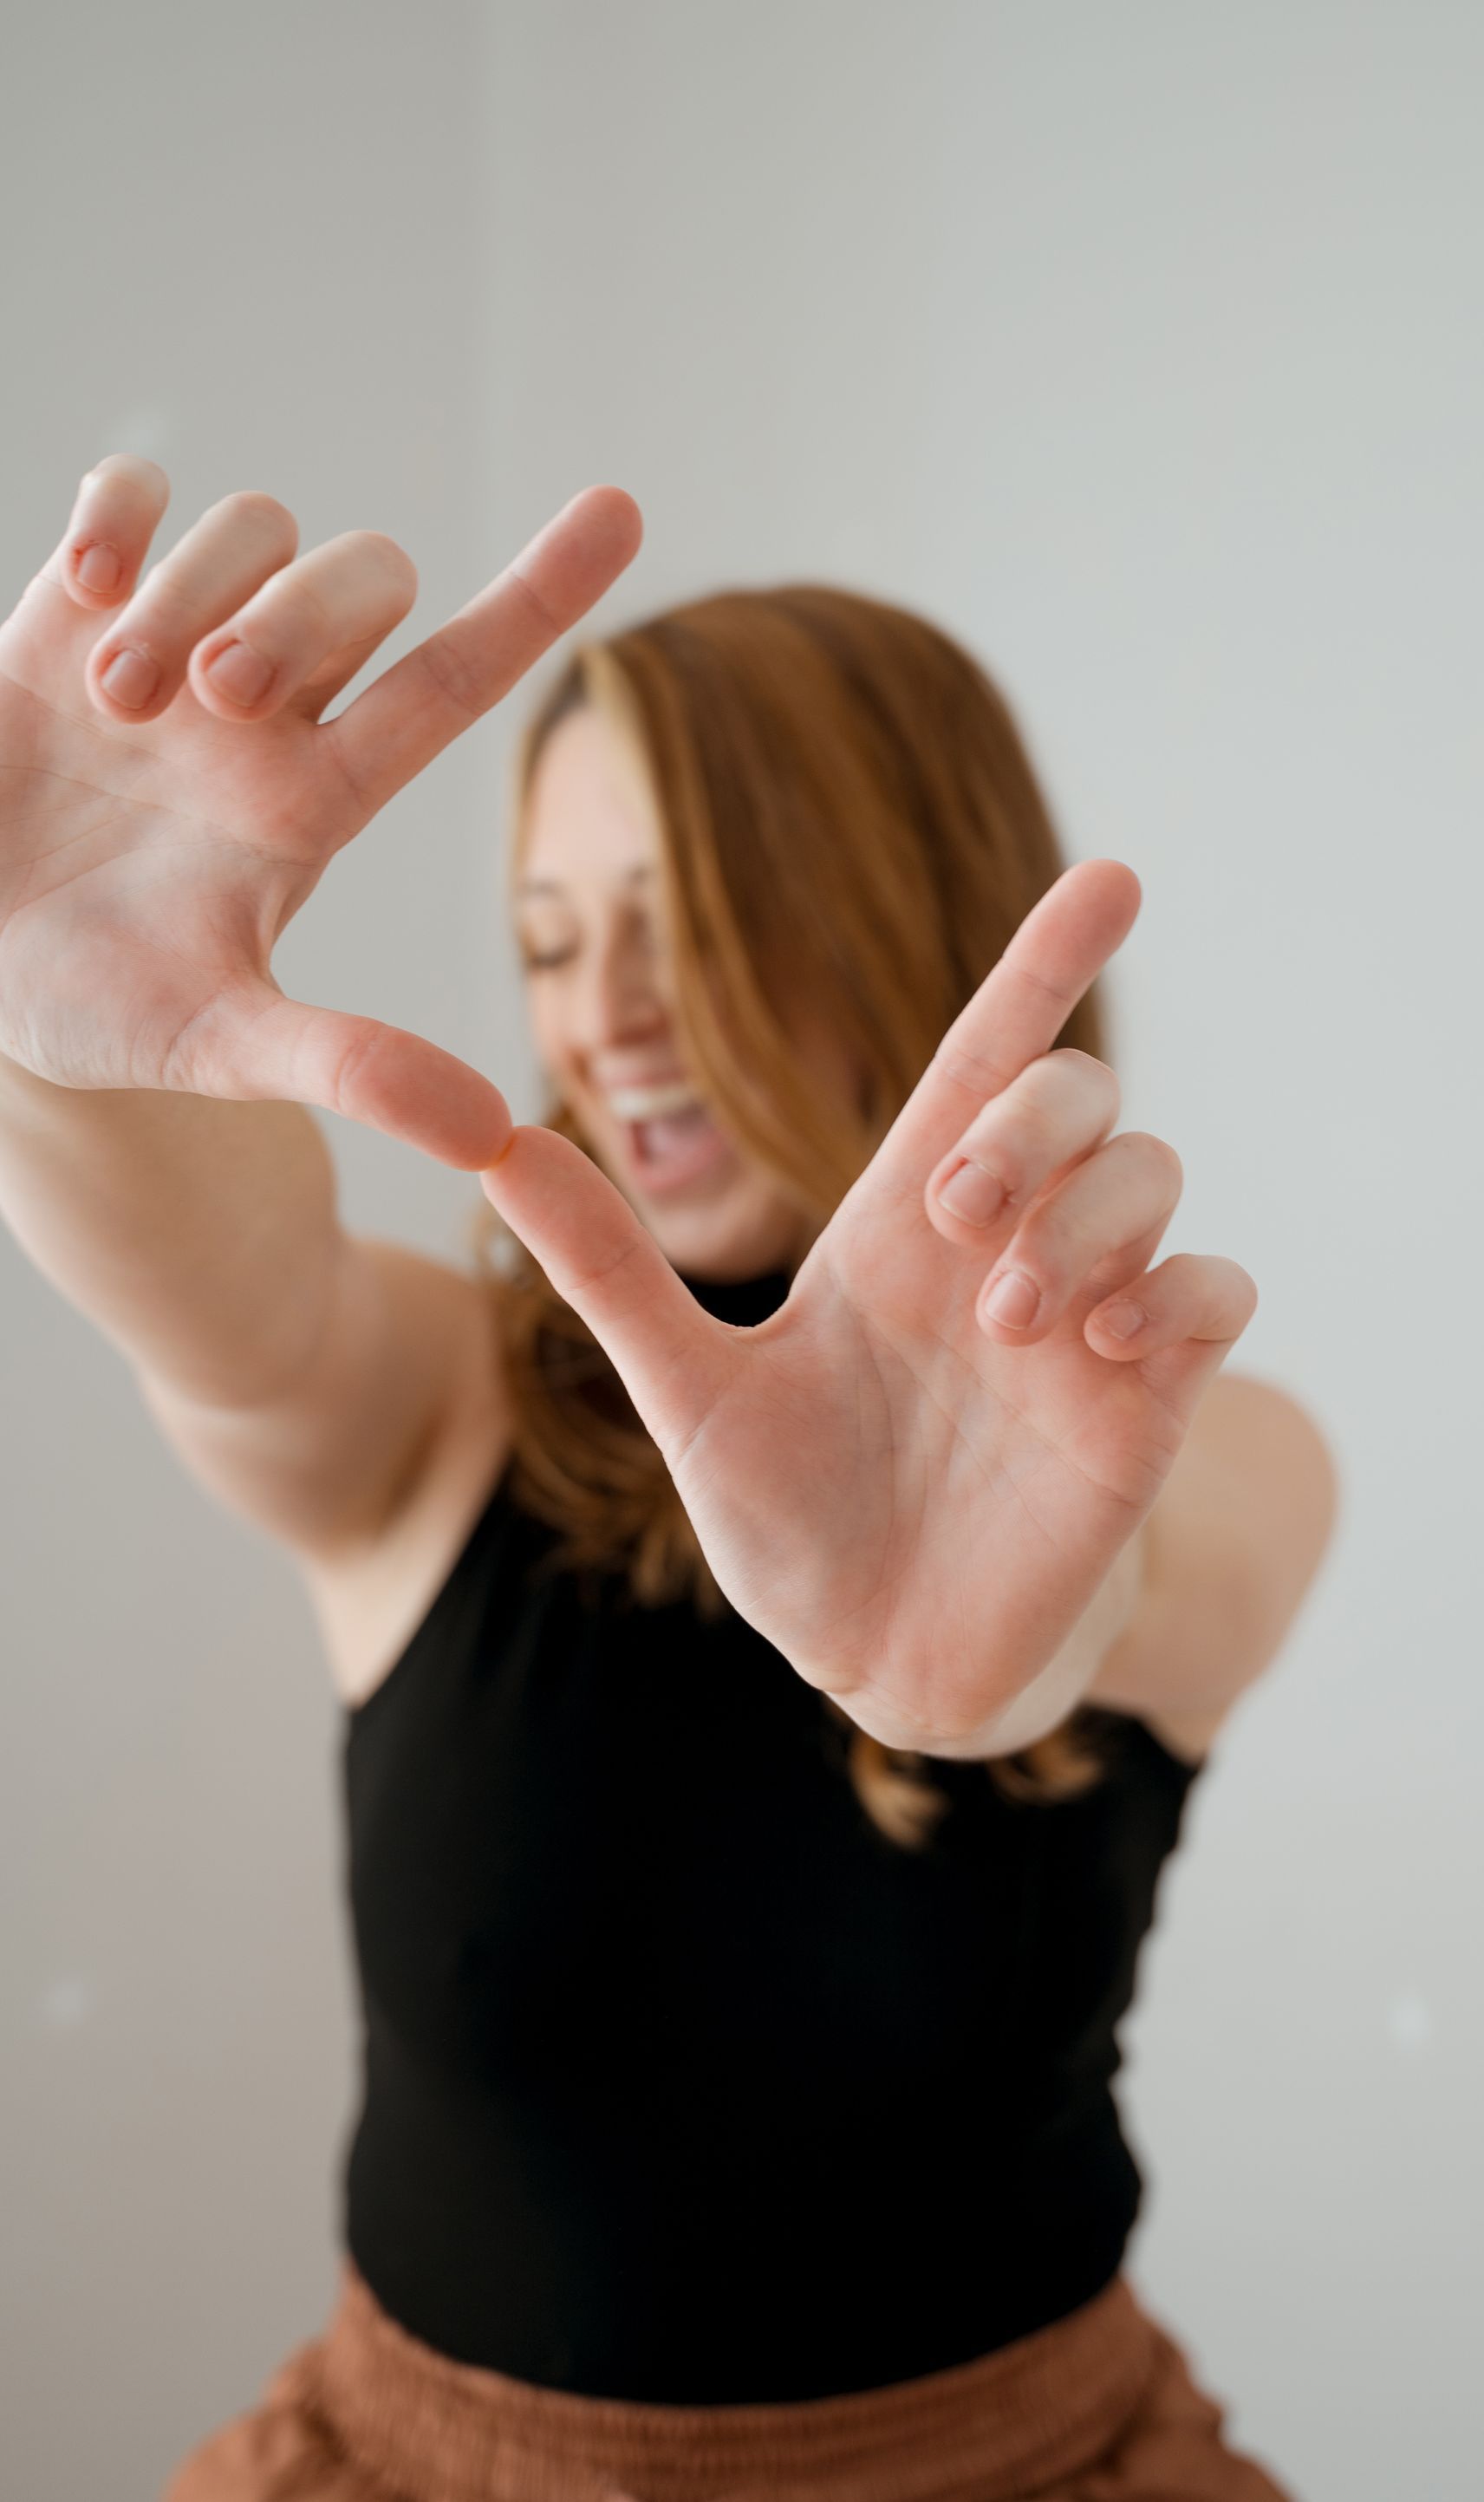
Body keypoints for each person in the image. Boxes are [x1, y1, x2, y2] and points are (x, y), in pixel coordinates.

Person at [0, 456, 1338, 2501]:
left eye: (689, 922)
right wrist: (57, 1033)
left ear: (911, 910)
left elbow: (1132, 1598)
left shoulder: (1195, 1437)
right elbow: (229, 1299)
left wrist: (977, 1662)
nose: (607, 1019)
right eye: (551, 936)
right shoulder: (437, 1404)